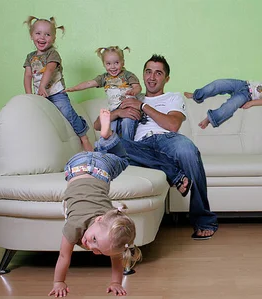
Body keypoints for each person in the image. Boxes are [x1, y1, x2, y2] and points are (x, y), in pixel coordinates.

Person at [113, 54, 218, 240]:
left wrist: (143, 106)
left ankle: (203, 220)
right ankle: (174, 174)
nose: (152, 77)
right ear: (143, 74)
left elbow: (172, 125)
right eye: (148, 72)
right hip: (139, 147)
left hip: (166, 139)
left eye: (158, 73)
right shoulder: (131, 97)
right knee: (109, 144)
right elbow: (100, 125)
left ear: (166, 78)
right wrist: (120, 111)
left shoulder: (173, 98)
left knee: (188, 150)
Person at [49, 109, 142, 297]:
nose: (90, 246)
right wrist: (59, 282)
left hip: (89, 166)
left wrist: (116, 282)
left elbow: (116, 257)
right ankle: (106, 138)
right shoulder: (74, 226)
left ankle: (105, 140)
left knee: (119, 158)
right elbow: (64, 256)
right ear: (99, 219)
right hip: (74, 167)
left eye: (98, 250)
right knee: (124, 161)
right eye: (94, 240)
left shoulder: (109, 220)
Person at [23, 16, 93, 151]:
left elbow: (49, 70)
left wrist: (42, 86)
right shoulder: (30, 57)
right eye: (38, 33)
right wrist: (29, 95)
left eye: (47, 34)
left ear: (53, 38)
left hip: (56, 93)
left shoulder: (53, 54)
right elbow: (27, 76)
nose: (42, 37)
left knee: (68, 113)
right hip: (40, 95)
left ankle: (84, 137)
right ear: (32, 35)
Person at [66, 46, 142, 140]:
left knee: (127, 122)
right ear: (104, 64)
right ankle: (113, 148)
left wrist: (134, 90)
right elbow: (89, 83)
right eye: (108, 64)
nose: (113, 67)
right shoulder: (104, 78)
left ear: (123, 62)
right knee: (111, 128)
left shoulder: (127, 75)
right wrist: (74, 88)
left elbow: (137, 86)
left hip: (128, 107)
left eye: (116, 63)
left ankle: (128, 146)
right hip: (114, 110)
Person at [184, 78, 262, 129]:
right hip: (243, 84)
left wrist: (252, 103)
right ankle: (197, 95)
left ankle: (210, 119)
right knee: (219, 84)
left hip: (246, 96)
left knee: (229, 107)